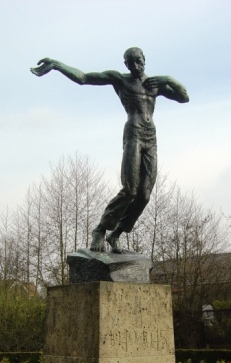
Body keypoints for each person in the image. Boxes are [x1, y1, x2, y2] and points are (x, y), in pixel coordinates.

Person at [31, 47, 189, 253]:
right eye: (130, 63)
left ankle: (116, 234)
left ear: (144, 60)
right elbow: (83, 78)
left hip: (151, 137)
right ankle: (101, 229)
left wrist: (168, 79)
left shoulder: (155, 84)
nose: (135, 66)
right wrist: (57, 65)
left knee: (144, 195)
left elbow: (184, 97)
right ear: (125, 64)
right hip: (133, 133)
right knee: (130, 189)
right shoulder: (120, 80)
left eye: (138, 61)